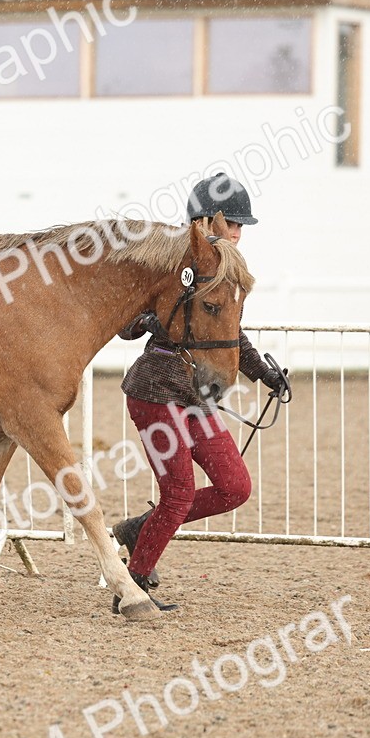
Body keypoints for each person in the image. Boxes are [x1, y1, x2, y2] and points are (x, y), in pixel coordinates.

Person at [112, 172, 286, 607]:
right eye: (233, 224)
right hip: (155, 391)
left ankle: (140, 528)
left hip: (195, 395)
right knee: (179, 494)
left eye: (241, 226)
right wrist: (148, 320)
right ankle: (132, 585)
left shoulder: (225, 270)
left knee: (234, 487)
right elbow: (123, 323)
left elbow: (231, 335)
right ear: (205, 221)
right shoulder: (167, 260)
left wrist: (264, 374)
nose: (237, 233)